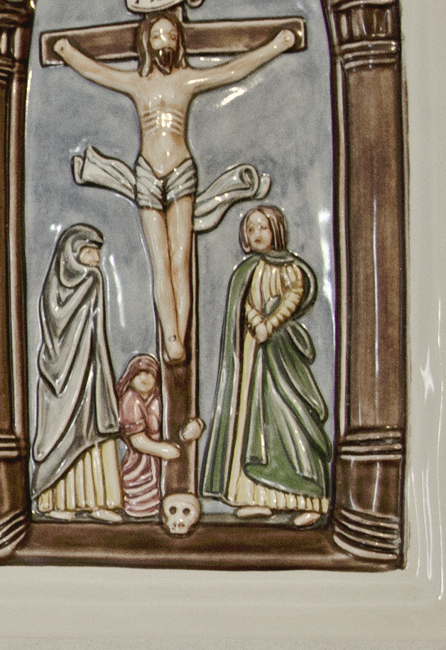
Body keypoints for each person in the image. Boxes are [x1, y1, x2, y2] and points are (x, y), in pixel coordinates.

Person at [48, 0, 297, 384]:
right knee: (159, 260)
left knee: (180, 257)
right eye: (157, 35)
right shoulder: (137, 84)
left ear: (178, 43)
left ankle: (180, 330)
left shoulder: (186, 80)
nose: (164, 41)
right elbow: (98, 73)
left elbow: (234, 70)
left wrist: (276, 46)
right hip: (148, 173)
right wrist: (68, 53)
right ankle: (171, 334)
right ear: (147, 43)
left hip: (180, 171)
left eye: (170, 35)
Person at [201, 204, 332, 523]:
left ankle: (308, 500)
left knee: (288, 413)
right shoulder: (246, 271)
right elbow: (244, 304)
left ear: (276, 230)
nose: (256, 234)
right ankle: (257, 496)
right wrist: (256, 321)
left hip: (280, 354)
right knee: (251, 420)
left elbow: (293, 297)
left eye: (262, 227)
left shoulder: (291, 268)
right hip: (252, 355)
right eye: (250, 229)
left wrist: (270, 324)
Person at [30, 225, 122, 518]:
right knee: (61, 432)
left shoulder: (94, 279)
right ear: (72, 253)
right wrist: (88, 284)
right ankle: (53, 500)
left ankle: (97, 501)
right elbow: (57, 320)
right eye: (90, 251)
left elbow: (96, 327)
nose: (97, 258)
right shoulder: (59, 286)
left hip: (90, 370)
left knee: (91, 431)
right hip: (62, 375)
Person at [112, 354, 199, 525]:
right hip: (141, 460)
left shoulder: (160, 397)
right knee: (140, 504)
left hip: (161, 464)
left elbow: (176, 419)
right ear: (130, 377)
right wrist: (162, 450)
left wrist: (196, 425)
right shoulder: (130, 399)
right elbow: (138, 441)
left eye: (149, 373)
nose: (144, 378)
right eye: (139, 374)